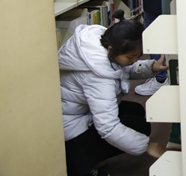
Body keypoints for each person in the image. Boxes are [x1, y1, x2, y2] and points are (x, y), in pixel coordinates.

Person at [58, 9, 168, 176]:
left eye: (138, 56)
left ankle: (88, 158)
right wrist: (147, 145)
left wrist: (150, 67)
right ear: (111, 50)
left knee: (136, 112)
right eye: (130, 57)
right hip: (71, 126)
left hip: (81, 111)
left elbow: (120, 69)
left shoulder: (103, 43)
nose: (134, 61)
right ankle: (81, 165)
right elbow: (107, 127)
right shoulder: (98, 78)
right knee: (135, 125)